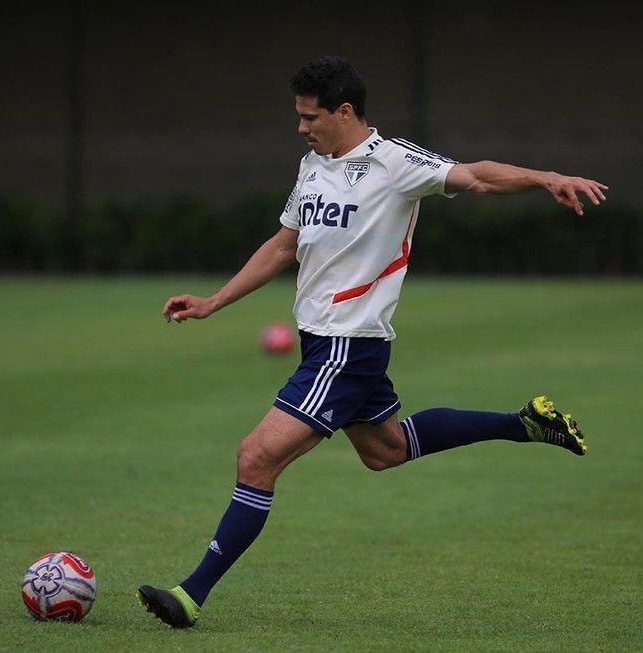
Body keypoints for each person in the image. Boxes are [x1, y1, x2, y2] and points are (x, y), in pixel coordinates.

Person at [137, 55, 607, 629]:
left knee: (255, 457)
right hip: (321, 343)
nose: (301, 128)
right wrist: (214, 301)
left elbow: (477, 174)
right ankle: (524, 423)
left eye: (310, 117)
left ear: (345, 111)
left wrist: (545, 178)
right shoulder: (312, 165)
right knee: (385, 450)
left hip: (347, 345)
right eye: (299, 117)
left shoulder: (395, 163)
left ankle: (189, 596)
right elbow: (285, 245)